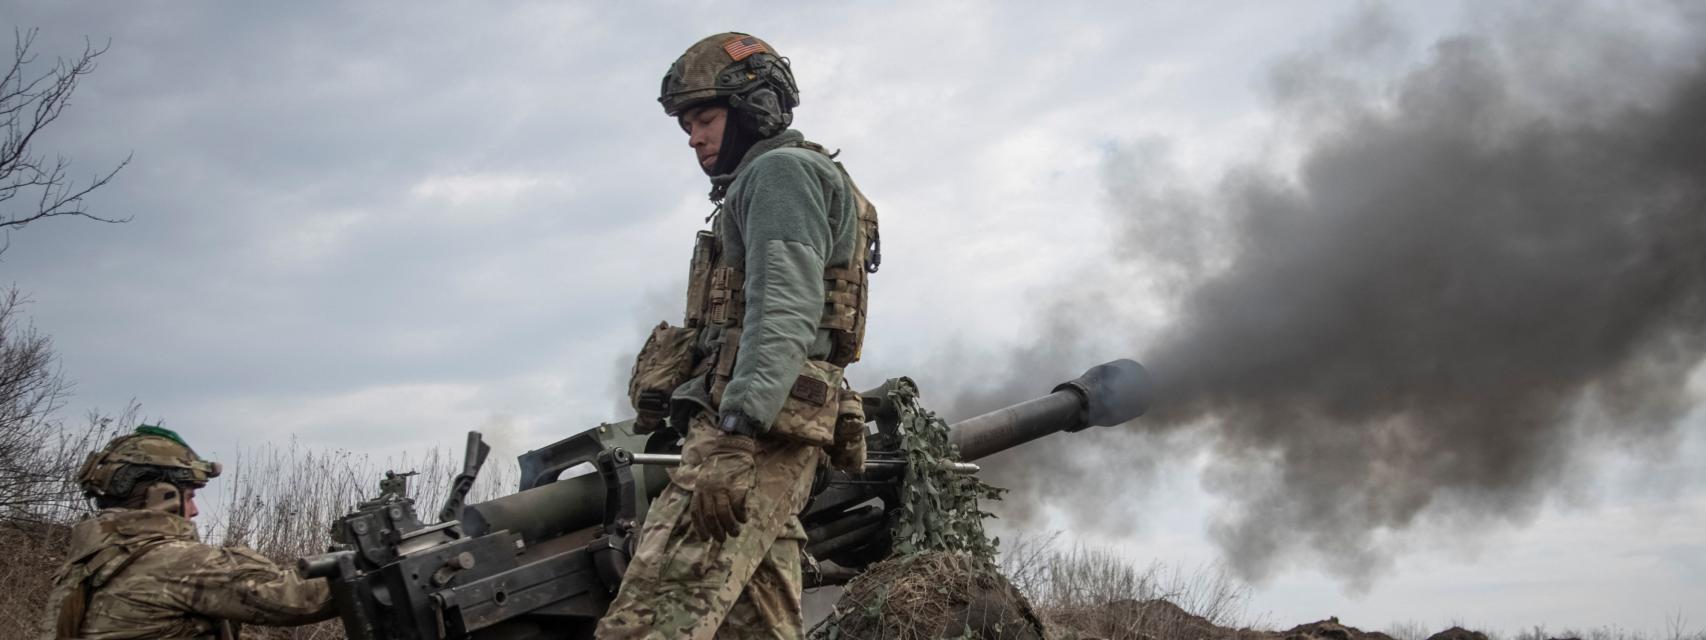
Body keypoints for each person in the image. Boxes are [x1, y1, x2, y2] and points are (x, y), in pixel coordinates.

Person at [599, 32, 880, 639]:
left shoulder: (780, 173)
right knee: (751, 627)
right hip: (775, 430)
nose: (694, 138)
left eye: (704, 119)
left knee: (648, 622)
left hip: (753, 436)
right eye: (687, 127)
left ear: (755, 108)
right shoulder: (792, 175)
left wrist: (736, 435)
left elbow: (784, 308)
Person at [40, 425, 335, 640]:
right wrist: (366, 560)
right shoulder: (169, 561)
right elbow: (293, 599)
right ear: (162, 495)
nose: (194, 511)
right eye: (190, 495)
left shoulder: (88, 565)